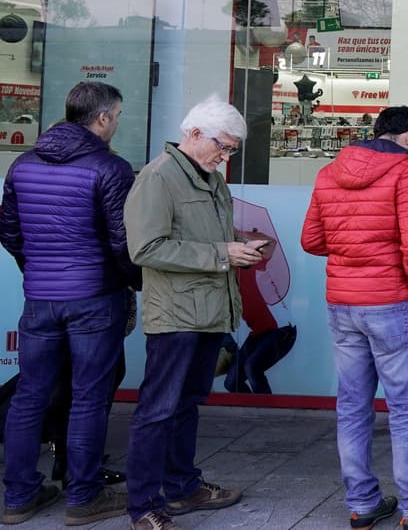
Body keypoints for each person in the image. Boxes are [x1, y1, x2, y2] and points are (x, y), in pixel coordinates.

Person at [301, 106, 408, 530]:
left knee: (352, 405)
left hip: (342, 303)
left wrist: (351, 255)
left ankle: (362, 502)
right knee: (406, 409)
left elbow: (311, 239)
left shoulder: (329, 172)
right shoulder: (405, 170)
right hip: (391, 303)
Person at [1, 82, 138, 526]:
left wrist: (37, 269)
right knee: (88, 397)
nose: (117, 122)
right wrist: (132, 283)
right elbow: (123, 242)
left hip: (41, 297)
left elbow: (9, 231)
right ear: (101, 118)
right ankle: (83, 496)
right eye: (116, 115)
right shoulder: (110, 167)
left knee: (29, 396)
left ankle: (19, 496)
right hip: (95, 297)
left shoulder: (22, 165)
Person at [123, 96, 259, 530]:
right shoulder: (159, 177)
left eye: (233, 149)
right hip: (177, 313)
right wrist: (223, 253)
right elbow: (146, 248)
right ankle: (143, 506)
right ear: (194, 134)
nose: (226, 156)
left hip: (209, 310)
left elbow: (202, 236)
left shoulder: (210, 179)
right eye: (223, 146)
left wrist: (240, 244)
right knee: (158, 409)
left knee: (186, 404)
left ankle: (182, 487)